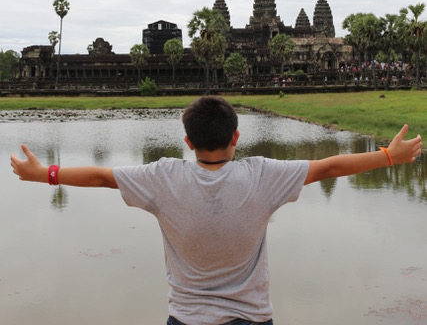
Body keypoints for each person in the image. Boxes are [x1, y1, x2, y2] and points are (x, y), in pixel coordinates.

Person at [10, 95, 422, 325]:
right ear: (236, 137)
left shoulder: (164, 177)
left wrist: (44, 174)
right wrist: (389, 156)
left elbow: (102, 177)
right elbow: (330, 166)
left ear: (188, 142)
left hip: (187, 318)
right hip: (252, 318)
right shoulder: (263, 175)